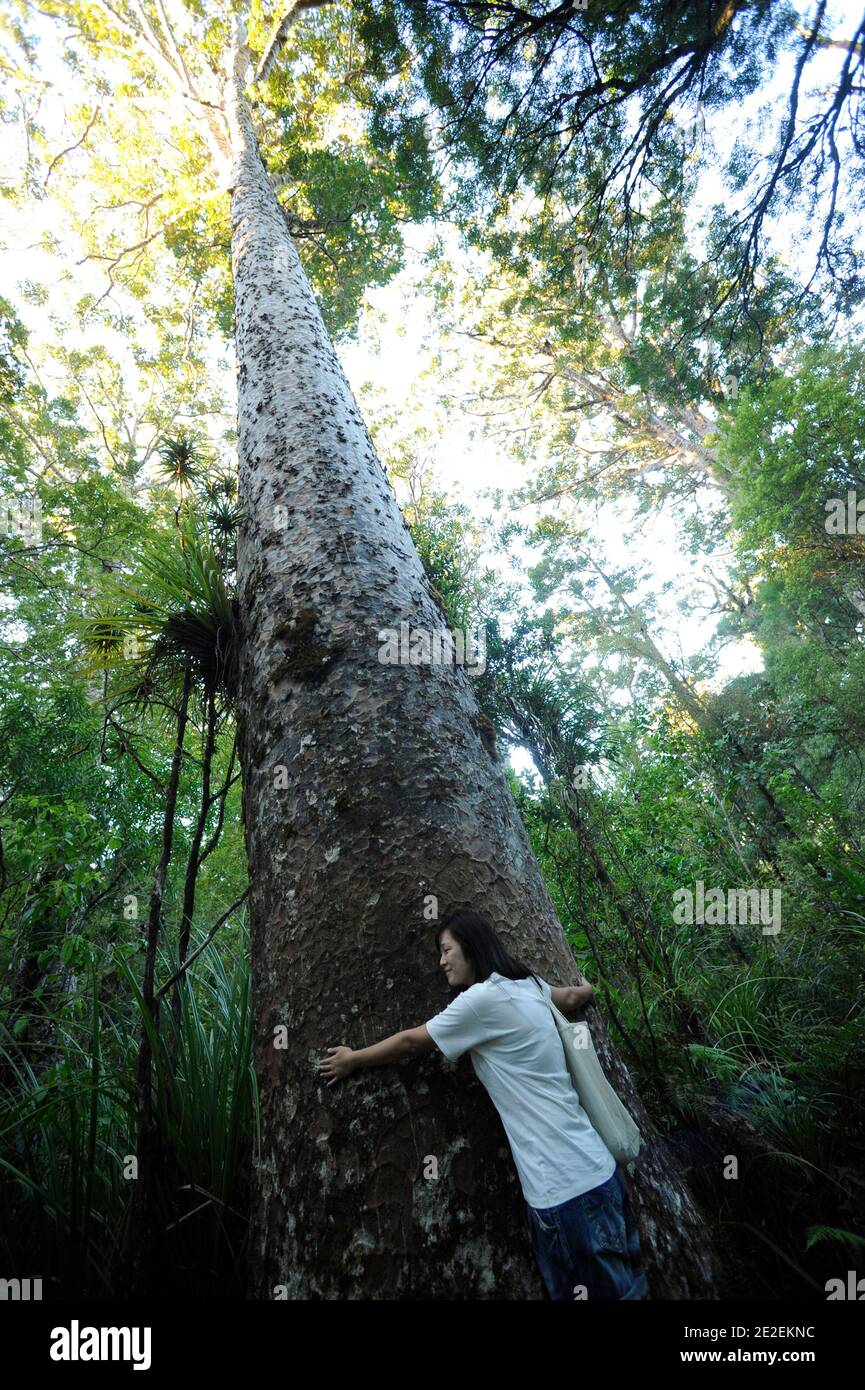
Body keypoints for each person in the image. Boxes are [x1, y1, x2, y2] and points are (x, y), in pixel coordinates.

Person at [319, 908, 649, 1300]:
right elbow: (573, 996)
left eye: (446, 950)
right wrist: (590, 988)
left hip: (565, 1194)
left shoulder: (481, 1001)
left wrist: (354, 1058)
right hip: (601, 1173)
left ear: (471, 947)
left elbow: (412, 1042)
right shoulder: (530, 985)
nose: (441, 961)